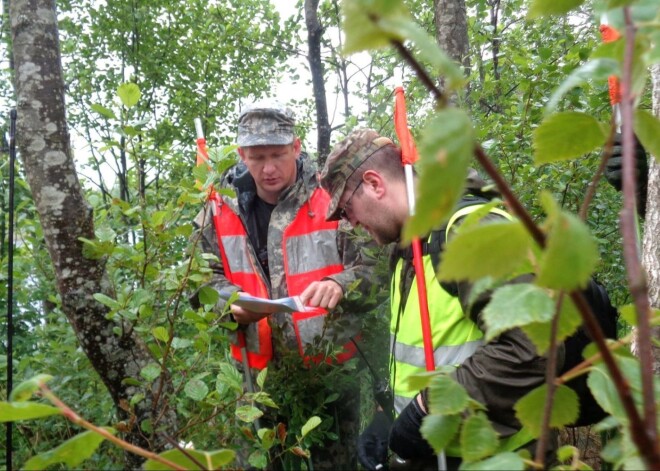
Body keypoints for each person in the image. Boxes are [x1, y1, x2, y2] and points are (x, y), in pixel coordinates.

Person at [319, 128, 558, 470]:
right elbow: (427, 348)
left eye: (346, 210)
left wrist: (425, 408)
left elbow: (533, 347)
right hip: (447, 450)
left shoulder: (469, 232)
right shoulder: (409, 245)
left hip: (501, 456)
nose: (351, 223)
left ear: (374, 184)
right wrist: (391, 415)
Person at [190, 101, 374, 470]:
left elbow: (374, 268)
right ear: (241, 154)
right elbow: (198, 280)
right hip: (256, 377)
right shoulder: (218, 207)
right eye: (257, 157)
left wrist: (340, 284)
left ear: (297, 146)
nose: (268, 168)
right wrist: (228, 305)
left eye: (277, 154)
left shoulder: (330, 198)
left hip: (330, 374)